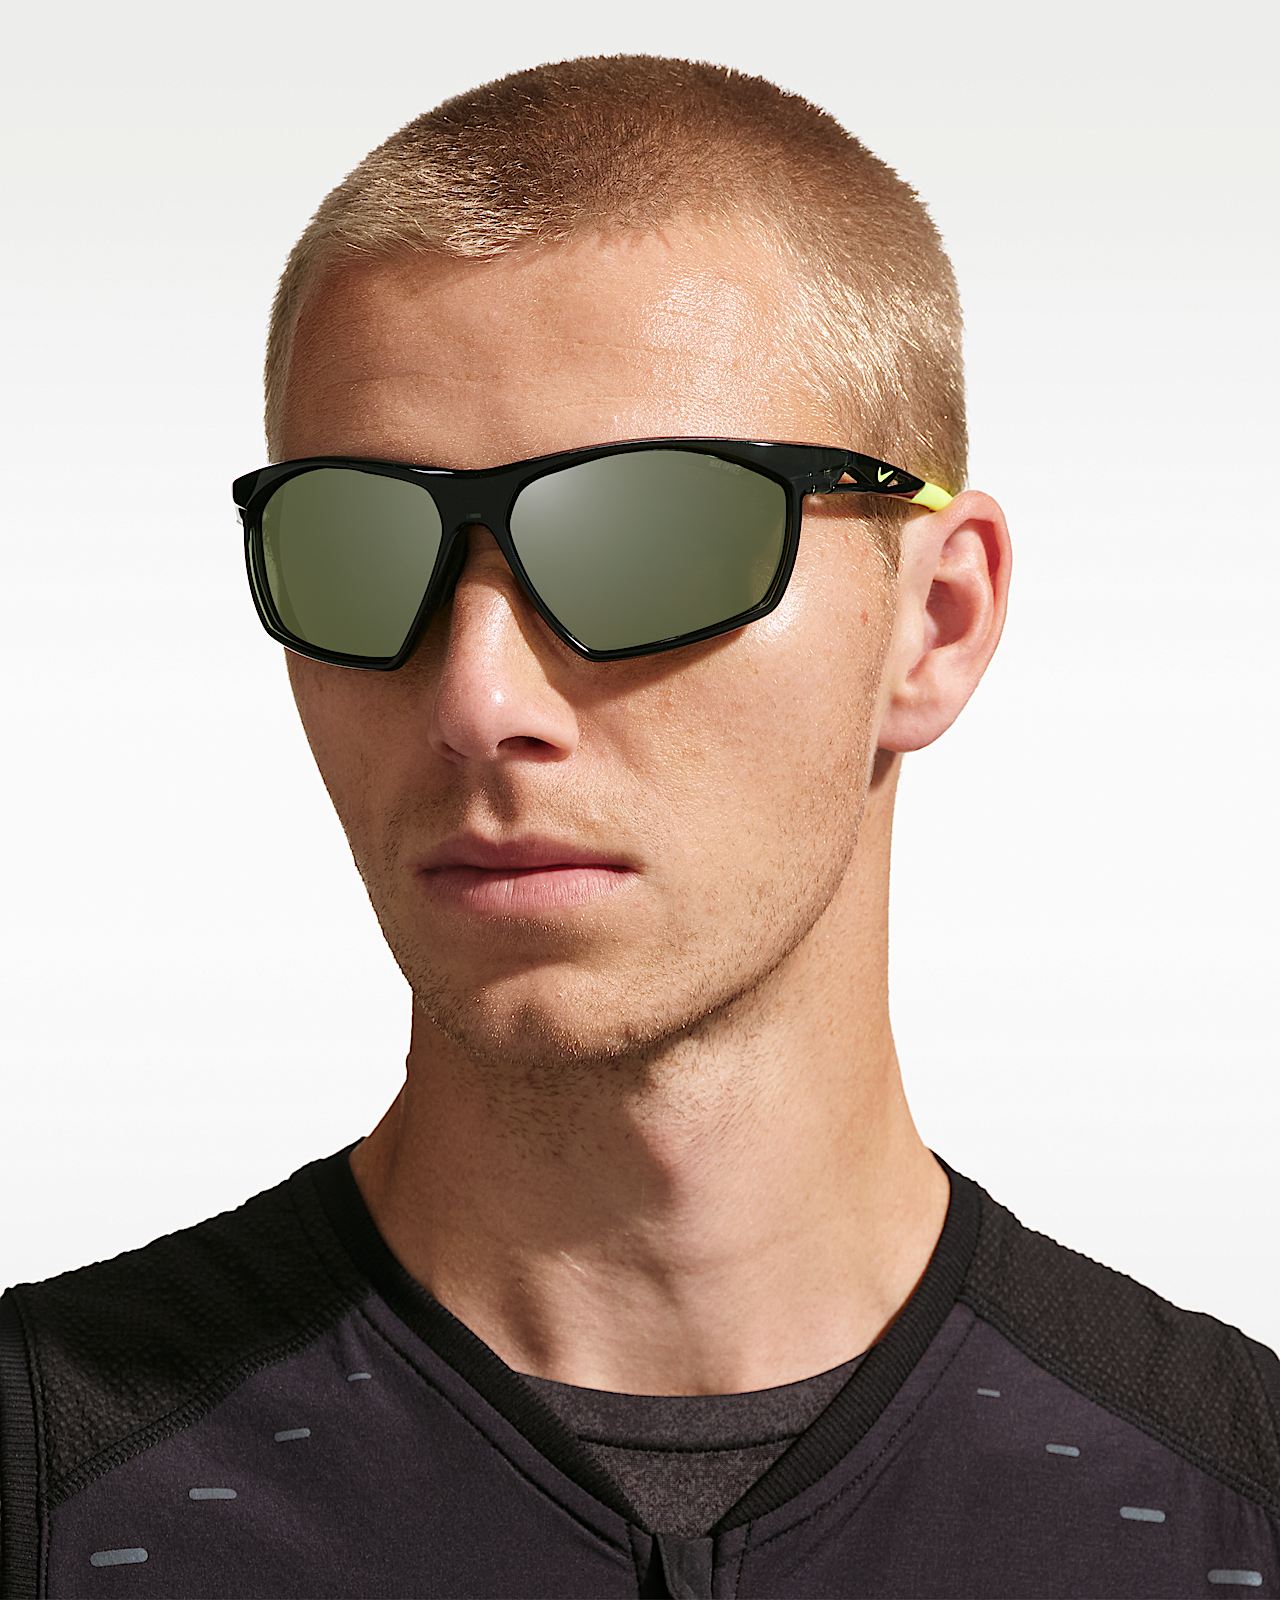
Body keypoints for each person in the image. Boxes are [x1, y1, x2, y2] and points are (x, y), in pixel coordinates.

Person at [0, 54, 1276, 1600]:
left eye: (651, 537)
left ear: (936, 622)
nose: (476, 696)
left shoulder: (1235, 1504)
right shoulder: (47, 1481)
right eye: (355, 547)